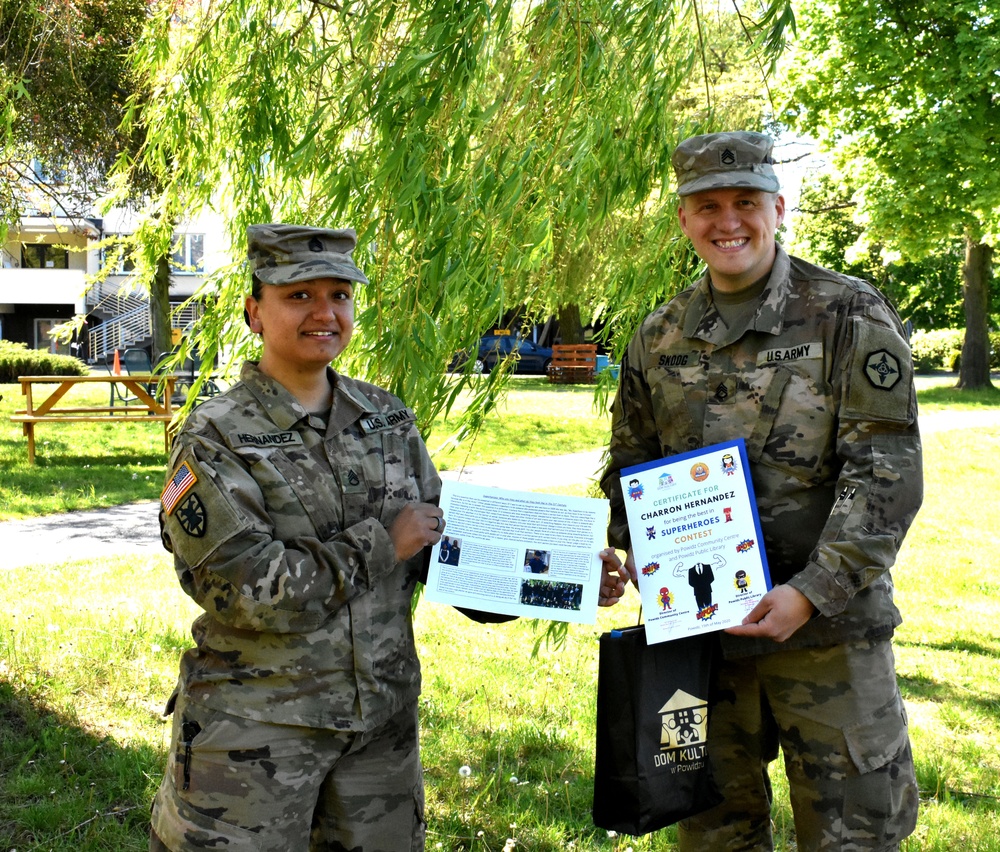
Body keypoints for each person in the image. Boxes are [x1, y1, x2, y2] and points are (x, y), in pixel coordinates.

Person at [150, 223, 625, 851]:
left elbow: (440, 547)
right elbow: (243, 588)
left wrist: (557, 576)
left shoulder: (386, 417)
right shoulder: (214, 436)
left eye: (340, 295)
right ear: (253, 311)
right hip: (256, 732)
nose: (325, 313)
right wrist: (382, 543)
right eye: (298, 296)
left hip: (381, 727)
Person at [600, 132, 923, 851]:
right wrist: (628, 553)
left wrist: (810, 593)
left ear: (778, 208)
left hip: (828, 643)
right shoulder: (657, 336)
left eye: (745, 201)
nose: (728, 221)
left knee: (853, 838)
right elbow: (631, 465)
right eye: (706, 205)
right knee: (714, 837)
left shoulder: (847, 314)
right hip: (702, 647)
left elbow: (887, 474)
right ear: (683, 221)